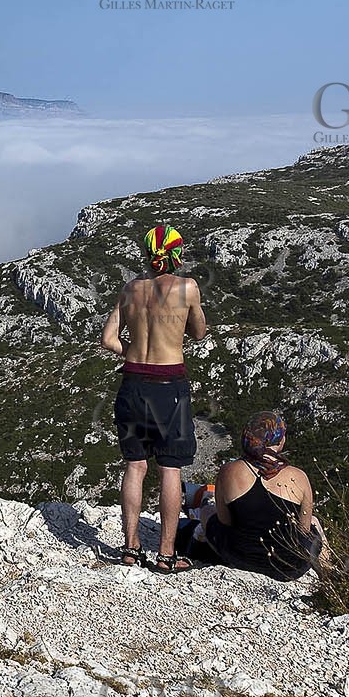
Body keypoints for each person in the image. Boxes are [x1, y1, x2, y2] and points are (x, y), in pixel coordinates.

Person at [99, 225, 206, 573]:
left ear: (146, 255)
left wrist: (131, 351)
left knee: (135, 466)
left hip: (131, 385)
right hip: (167, 386)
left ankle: (130, 549)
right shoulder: (187, 288)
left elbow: (107, 339)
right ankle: (166, 554)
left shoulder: (129, 290)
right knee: (170, 468)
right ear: (177, 255)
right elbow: (199, 332)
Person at [183, 411, 328, 581]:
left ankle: (196, 545)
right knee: (314, 523)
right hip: (287, 567)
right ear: (280, 441)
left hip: (239, 558)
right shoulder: (299, 477)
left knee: (207, 511)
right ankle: (329, 575)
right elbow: (303, 532)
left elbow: (225, 522)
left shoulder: (229, 471)